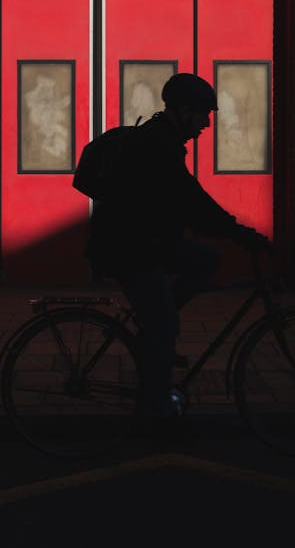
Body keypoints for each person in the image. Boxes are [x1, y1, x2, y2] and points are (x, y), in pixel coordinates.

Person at [87, 73, 270, 420]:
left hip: (148, 242)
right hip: (130, 250)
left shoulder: (163, 141)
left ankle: (155, 324)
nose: (206, 124)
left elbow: (189, 202)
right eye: (203, 114)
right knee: (164, 327)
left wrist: (235, 232)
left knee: (205, 259)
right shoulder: (156, 147)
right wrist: (241, 234)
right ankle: (155, 412)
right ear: (184, 111)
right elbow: (193, 204)